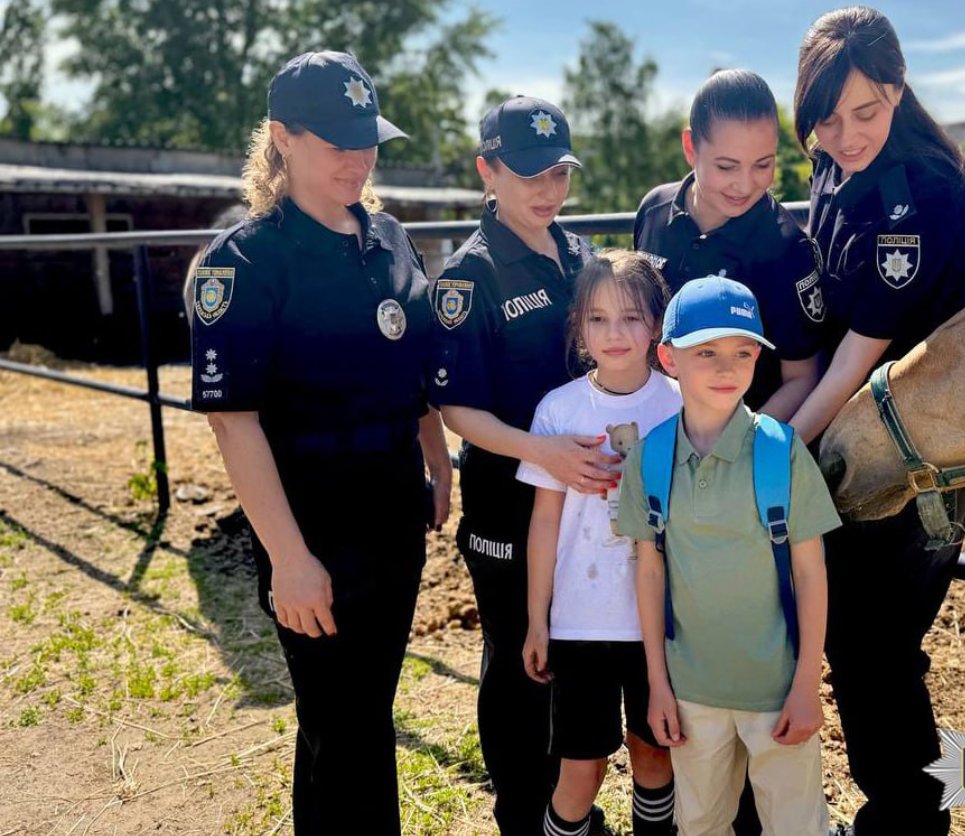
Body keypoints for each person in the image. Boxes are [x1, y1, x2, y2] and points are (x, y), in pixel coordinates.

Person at [189, 51, 453, 834]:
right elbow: (233, 423)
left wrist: (437, 461)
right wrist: (291, 559)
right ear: (282, 138)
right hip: (313, 520)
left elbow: (418, 371)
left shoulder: (390, 239)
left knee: (362, 711)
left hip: (395, 508)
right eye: (336, 140)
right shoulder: (247, 262)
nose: (358, 157)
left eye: (366, 138)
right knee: (342, 720)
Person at [785, 9, 965, 835]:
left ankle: (908, 816)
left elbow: (856, 357)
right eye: (826, 119)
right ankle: (900, 811)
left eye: (865, 112)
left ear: (898, 89)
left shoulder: (926, 193)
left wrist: (776, 446)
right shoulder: (834, 165)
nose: (844, 135)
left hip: (915, 449)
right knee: (862, 643)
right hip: (861, 434)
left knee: (876, 646)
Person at [429, 95, 613, 835]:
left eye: (560, 172)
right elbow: (455, 411)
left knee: (572, 655)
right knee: (517, 661)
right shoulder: (467, 280)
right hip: (509, 498)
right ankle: (521, 815)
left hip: (580, 502)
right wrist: (542, 452)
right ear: (488, 172)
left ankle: (568, 815)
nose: (548, 189)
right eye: (530, 173)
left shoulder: (578, 255)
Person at [619, 276, 842, 835]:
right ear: (668, 358)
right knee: (700, 824)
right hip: (691, 694)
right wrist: (658, 684)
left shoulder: (782, 452)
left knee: (796, 826)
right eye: (707, 353)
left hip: (777, 690)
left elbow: (811, 573)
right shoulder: (648, 460)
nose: (727, 368)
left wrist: (806, 686)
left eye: (743, 352)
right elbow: (649, 572)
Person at [517, 250, 682, 836]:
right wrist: (538, 620)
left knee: (655, 753)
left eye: (632, 317)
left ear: (658, 325)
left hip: (659, 623)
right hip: (582, 624)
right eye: (598, 318)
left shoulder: (681, 403)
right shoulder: (559, 410)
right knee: (581, 768)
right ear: (579, 326)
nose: (615, 333)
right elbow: (543, 526)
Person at [634, 69, 824, 420]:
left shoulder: (786, 248)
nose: (745, 184)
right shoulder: (653, 211)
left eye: (762, 165)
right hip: (654, 431)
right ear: (691, 148)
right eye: (726, 166)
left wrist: (739, 449)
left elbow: (802, 378)